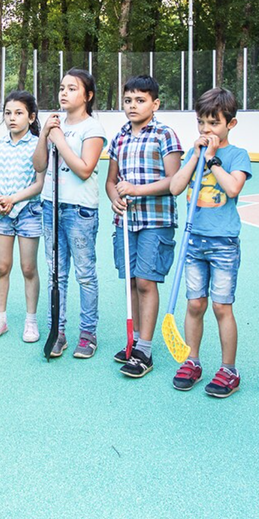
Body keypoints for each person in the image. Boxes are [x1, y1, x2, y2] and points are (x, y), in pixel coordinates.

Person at [163, 87, 251, 397]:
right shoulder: (194, 152)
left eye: (214, 123)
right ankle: (192, 360)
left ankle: (228, 369)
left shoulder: (237, 155)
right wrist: (197, 157)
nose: (206, 129)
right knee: (195, 303)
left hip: (223, 242)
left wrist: (212, 161)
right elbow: (175, 187)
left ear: (231, 124)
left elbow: (233, 188)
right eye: (201, 122)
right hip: (194, 242)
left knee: (221, 306)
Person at [108, 75, 184, 377]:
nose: (132, 106)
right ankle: (135, 341)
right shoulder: (120, 137)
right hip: (126, 220)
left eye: (140, 100)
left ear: (155, 103)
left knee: (145, 281)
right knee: (130, 281)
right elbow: (111, 181)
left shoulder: (165, 134)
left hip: (156, 220)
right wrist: (115, 198)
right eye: (128, 100)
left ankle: (146, 350)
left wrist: (137, 191)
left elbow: (174, 181)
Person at [31, 68, 108, 358]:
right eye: (62, 87)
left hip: (80, 211)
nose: (64, 92)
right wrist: (44, 136)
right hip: (51, 207)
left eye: (72, 88)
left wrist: (59, 139)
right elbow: (39, 165)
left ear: (88, 96)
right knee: (56, 274)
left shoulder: (93, 129)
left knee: (85, 275)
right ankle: (57, 332)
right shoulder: (54, 125)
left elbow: (85, 169)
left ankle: (88, 333)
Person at [0, 91, 46, 343]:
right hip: (2, 214)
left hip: (28, 212)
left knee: (28, 268)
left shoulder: (38, 144)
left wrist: (13, 199)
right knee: (2, 267)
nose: (12, 118)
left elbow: (39, 184)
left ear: (31, 117)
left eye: (19, 113)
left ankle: (31, 321)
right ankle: (1, 320)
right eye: (8, 113)